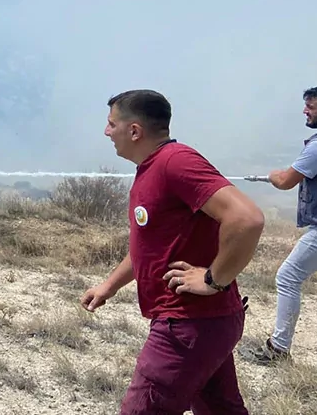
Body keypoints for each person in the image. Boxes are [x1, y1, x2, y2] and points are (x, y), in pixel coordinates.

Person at [81, 89, 265, 415]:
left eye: (112, 124)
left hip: (187, 325)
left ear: (134, 130)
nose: (106, 132)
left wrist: (212, 279)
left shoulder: (175, 162)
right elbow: (149, 246)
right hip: (204, 324)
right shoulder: (153, 168)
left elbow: (246, 218)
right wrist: (108, 286)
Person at [242, 85, 317, 364]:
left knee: (288, 277)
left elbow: (286, 181)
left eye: (311, 106)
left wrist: (274, 176)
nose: (305, 111)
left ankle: (278, 349)